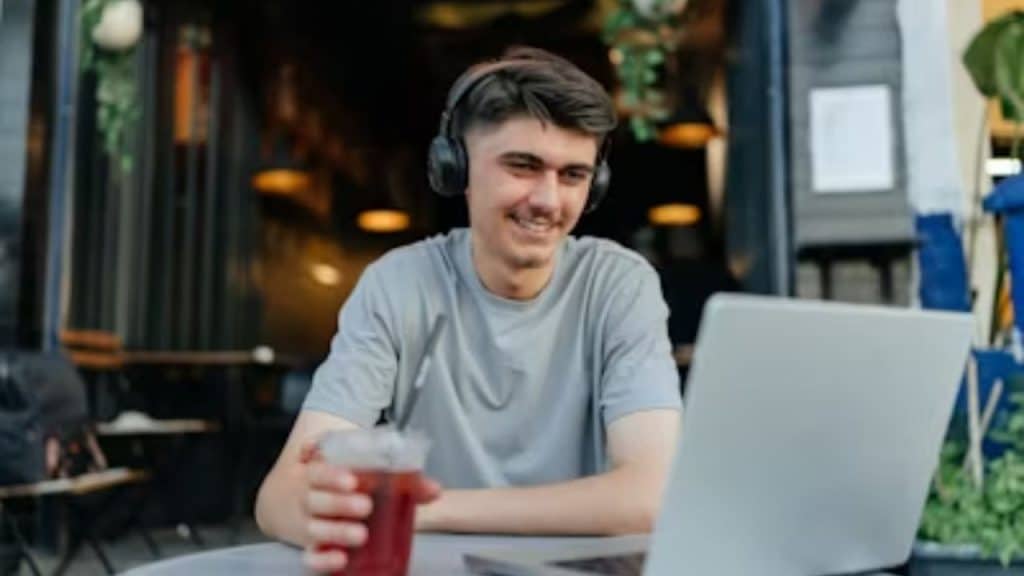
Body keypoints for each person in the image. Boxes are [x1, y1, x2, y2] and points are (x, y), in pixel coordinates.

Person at [254, 46, 683, 574]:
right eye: (523, 166)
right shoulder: (399, 284)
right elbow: (278, 497)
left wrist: (421, 510)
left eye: (573, 175)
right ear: (457, 168)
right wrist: (315, 512)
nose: (549, 200)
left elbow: (652, 497)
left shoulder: (619, 284)